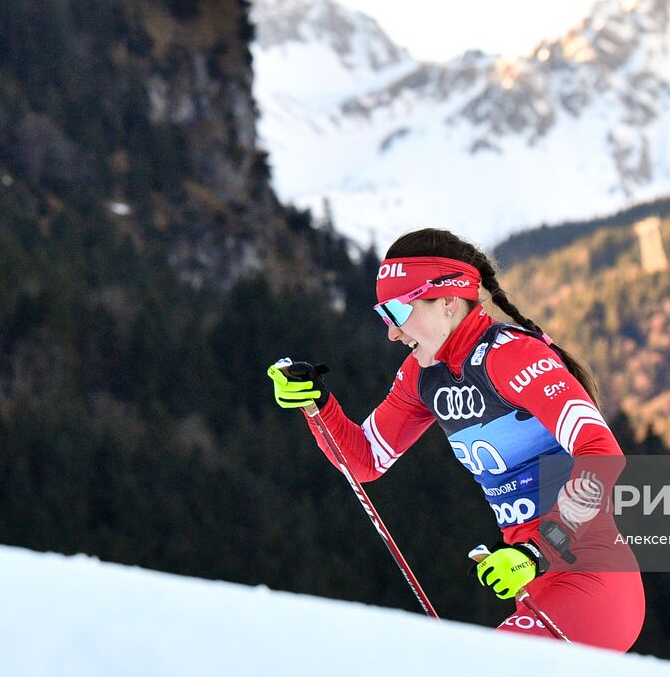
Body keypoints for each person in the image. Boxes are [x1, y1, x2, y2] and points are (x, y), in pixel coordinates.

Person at [267, 227, 644, 650]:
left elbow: (601, 453)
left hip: (592, 579)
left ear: (448, 301)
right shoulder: (423, 375)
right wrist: (318, 406)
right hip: (536, 583)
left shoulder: (513, 355)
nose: (392, 332)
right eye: (383, 315)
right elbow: (365, 460)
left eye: (397, 311)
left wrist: (539, 550)